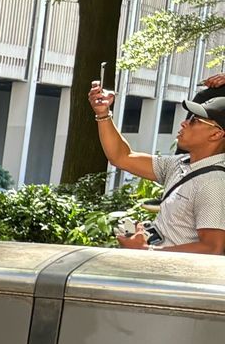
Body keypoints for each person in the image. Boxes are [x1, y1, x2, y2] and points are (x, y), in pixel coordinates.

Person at [90, 82, 225, 253]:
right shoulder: (180, 163)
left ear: (216, 134)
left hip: (171, 270)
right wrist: (103, 114)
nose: (184, 123)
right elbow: (122, 157)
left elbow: (212, 248)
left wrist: (148, 251)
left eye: (194, 120)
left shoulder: (215, 183)